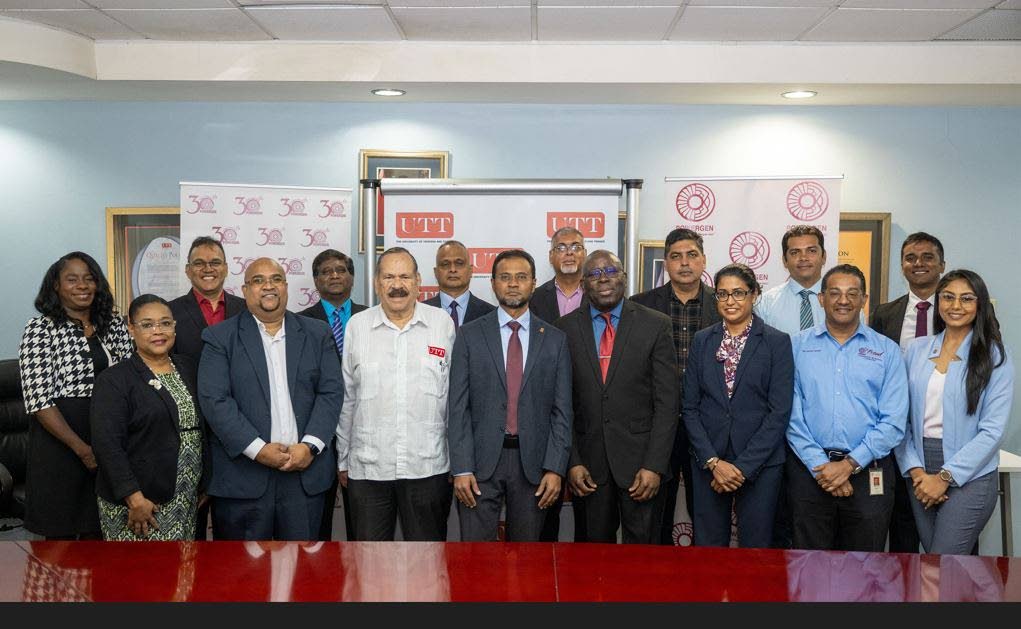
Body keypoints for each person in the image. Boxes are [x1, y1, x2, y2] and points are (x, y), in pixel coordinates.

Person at [198, 258, 343, 540]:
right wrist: (258, 449)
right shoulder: (219, 338)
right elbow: (215, 401)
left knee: (306, 575)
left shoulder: (317, 333)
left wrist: (310, 446)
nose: (268, 286)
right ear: (244, 289)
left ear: (286, 287)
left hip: (305, 477)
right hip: (244, 480)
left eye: (276, 279)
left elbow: (331, 393)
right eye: (258, 280)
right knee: (244, 578)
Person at [447, 249, 572, 541]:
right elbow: (458, 407)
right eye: (505, 277)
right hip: (479, 465)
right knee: (476, 559)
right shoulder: (469, 335)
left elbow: (562, 411)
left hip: (534, 467)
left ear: (533, 282)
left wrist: (555, 468)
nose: (513, 284)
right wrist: (462, 466)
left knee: (527, 561)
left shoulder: (555, 339)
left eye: (521, 277)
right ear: (492, 283)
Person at [337, 247, 456, 541]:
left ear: (418, 281)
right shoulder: (357, 326)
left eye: (404, 276)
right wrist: (342, 460)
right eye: (388, 276)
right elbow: (347, 399)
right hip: (368, 469)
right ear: (377, 283)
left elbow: (454, 397)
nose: (397, 285)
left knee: (427, 563)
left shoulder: (442, 324)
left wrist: (459, 460)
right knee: (368, 565)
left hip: (428, 466)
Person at [786, 264, 908, 552]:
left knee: (865, 569)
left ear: (864, 300)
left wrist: (849, 465)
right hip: (810, 471)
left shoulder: (887, 351)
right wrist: (823, 468)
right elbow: (791, 416)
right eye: (835, 293)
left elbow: (893, 421)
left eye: (853, 293)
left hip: (869, 473)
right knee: (808, 566)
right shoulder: (795, 347)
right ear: (821, 298)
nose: (844, 300)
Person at [560, 250, 678, 544]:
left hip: (641, 468)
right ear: (584, 283)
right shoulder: (564, 330)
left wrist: (654, 465)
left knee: (643, 562)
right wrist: (572, 462)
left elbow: (667, 403)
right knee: (592, 562)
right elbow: (561, 404)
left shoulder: (655, 324)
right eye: (595, 274)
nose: (603, 279)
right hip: (587, 469)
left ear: (624, 278)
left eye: (611, 271)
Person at [894, 269, 1014, 555]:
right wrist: (915, 469)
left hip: (970, 473)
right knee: (940, 565)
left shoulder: (995, 357)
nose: (956, 306)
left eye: (966, 298)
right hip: (920, 470)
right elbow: (900, 417)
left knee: (942, 561)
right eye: (948, 297)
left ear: (980, 305)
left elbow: (992, 431)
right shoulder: (916, 349)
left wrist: (944, 477)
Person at [18, 251, 133, 539]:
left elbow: (134, 378)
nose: (82, 286)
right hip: (61, 444)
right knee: (60, 545)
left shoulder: (114, 325)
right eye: (72, 279)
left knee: (103, 534)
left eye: (89, 279)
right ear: (56, 286)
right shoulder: (40, 329)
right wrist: (83, 450)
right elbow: (39, 401)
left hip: (108, 438)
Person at [682, 264, 794, 548]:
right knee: (708, 547)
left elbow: (778, 412)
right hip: (710, 460)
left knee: (756, 549)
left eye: (738, 293)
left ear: (754, 294)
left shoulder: (777, 343)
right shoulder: (702, 340)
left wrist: (741, 468)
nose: (730, 301)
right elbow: (690, 407)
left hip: (760, 463)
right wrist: (713, 461)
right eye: (722, 294)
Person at [90, 294, 211, 541]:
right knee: (141, 574)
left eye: (165, 323)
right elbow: (107, 446)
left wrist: (206, 481)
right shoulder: (114, 380)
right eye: (147, 325)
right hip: (141, 502)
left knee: (184, 572)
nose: (158, 331)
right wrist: (133, 498)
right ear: (131, 329)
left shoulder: (190, 367)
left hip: (186, 495)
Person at [631, 227, 721, 545]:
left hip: (708, 427)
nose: (684, 263)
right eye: (676, 257)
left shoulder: (723, 304)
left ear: (704, 260)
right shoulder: (638, 306)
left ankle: (704, 588)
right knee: (654, 518)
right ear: (666, 263)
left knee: (709, 517)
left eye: (692, 255)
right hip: (656, 426)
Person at [870, 231, 946, 553]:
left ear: (942, 264)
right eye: (911, 258)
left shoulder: (962, 310)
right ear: (902, 265)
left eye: (927, 257)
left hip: (945, 437)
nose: (919, 263)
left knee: (953, 543)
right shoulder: (884, 314)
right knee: (902, 533)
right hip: (897, 438)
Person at [755, 225, 829, 549]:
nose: (803, 258)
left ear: (824, 256)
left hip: (828, 420)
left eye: (811, 250)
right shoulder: (766, 305)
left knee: (822, 517)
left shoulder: (843, 300)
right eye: (794, 252)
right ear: (784, 260)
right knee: (781, 514)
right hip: (779, 420)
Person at [169, 235, 247, 540]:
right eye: (199, 263)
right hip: (188, 429)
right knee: (193, 532)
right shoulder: (170, 313)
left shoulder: (247, 309)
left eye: (215, 262)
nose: (208, 268)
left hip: (239, 429)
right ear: (188, 271)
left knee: (237, 530)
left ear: (226, 268)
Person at [297, 249, 367, 541]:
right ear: (315, 280)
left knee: (362, 522)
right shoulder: (298, 323)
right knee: (315, 524)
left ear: (352, 276)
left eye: (341, 269)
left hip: (361, 429)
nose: (334, 275)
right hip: (317, 433)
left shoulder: (371, 318)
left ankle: (362, 582)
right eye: (326, 271)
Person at [528, 226, 589, 542]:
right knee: (543, 509)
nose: (569, 252)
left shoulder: (602, 293)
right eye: (561, 247)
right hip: (545, 411)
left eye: (576, 246)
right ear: (551, 256)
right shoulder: (534, 300)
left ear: (584, 254)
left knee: (590, 514)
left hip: (590, 409)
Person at [424, 240, 496, 331]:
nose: (453, 269)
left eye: (459, 263)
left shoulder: (491, 314)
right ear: (436, 272)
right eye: (445, 264)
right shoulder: (418, 313)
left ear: (470, 270)